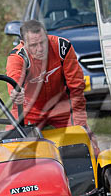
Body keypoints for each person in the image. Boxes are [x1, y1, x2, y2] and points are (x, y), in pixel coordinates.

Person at [6, 19, 99, 154]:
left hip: (60, 107)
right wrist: (15, 93)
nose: (40, 49)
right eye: (33, 45)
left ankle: (101, 171)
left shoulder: (62, 47)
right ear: (23, 44)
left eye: (43, 42)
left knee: (87, 142)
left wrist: (80, 122)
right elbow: (14, 82)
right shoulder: (17, 57)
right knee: (10, 148)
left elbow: (76, 87)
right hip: (29, 109)